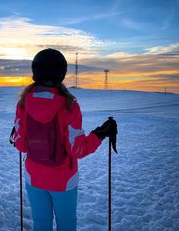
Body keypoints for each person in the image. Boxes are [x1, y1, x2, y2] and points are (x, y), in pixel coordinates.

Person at [11, 48, 117, 231]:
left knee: (41, 225)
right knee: (66, 226)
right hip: (64, 181)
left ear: (35, 72)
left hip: (33, 177)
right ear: (62, 73)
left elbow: (20, 144)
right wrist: (100, 133)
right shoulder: (69, 105)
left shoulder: (23, 102)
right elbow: (78, 149)